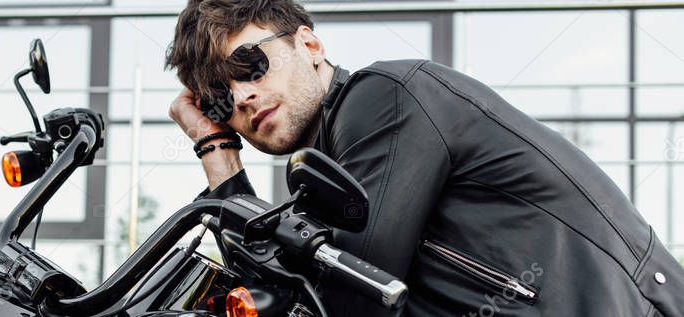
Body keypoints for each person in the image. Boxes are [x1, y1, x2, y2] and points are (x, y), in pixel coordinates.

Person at [164, 0, 684, 316]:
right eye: (218, 98)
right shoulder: (322, 183)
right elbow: (276, 299)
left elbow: (349, 301)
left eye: (250, 65)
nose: (242, 97)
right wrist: (216, 149)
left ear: (310, 45)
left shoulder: (386, 96)